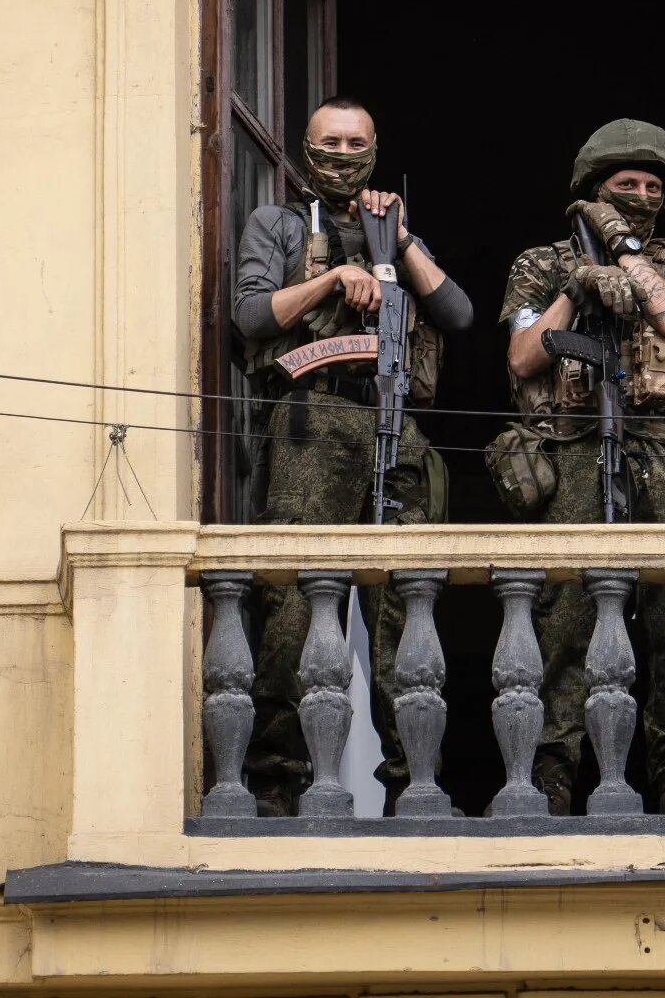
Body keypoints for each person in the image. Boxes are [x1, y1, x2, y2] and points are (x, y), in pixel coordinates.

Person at [232, 96, 473, 816]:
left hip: (393, 421)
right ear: (307, 150)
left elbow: (457, 313)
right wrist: (335, 279)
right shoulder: (278, 224)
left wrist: (398, 238)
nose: (343, 154)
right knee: (297, 606)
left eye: (356, 143)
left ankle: (414, 783)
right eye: (329, 142)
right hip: (313, 420)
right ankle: (277, 783)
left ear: (375, 149)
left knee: (406, 605)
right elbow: (250, 315)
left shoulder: (394, 231)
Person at [494, 119, 665, 815]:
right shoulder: (539, 264)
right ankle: (552, 773)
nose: (642, 195)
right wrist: (578, 285)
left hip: (662, 453)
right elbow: (523, 357)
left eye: (654, 186)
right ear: (595, 188)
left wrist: (623, 251)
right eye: (627, 184)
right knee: (564, 614)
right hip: (570, 452)